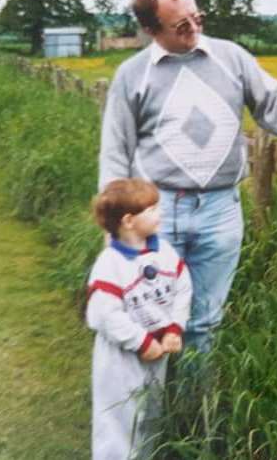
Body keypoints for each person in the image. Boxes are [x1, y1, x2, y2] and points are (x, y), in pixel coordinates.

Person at [99, 0, 277, 355]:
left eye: (197, 18)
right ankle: (149, 411)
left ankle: (192, 409)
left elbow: (276, 107)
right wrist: (114, 228)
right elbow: (115, 153)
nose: (194, 29)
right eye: (181, 25)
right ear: (152, 31)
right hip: (155, 214)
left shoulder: (231, 58)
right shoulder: (131, 75)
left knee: (203, 322)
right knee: (150, 320)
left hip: (221, 212)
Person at [86, 178, 192, 460]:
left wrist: (174, 328)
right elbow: (104, 315)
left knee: (149, 413)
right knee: (118, 415)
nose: (161, 213)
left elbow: (182, 288)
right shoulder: (110, 264)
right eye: (153, 209)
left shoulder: (165, 252)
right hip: (120, 357)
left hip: (159, 350)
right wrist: (141, 341)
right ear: (129, 221)